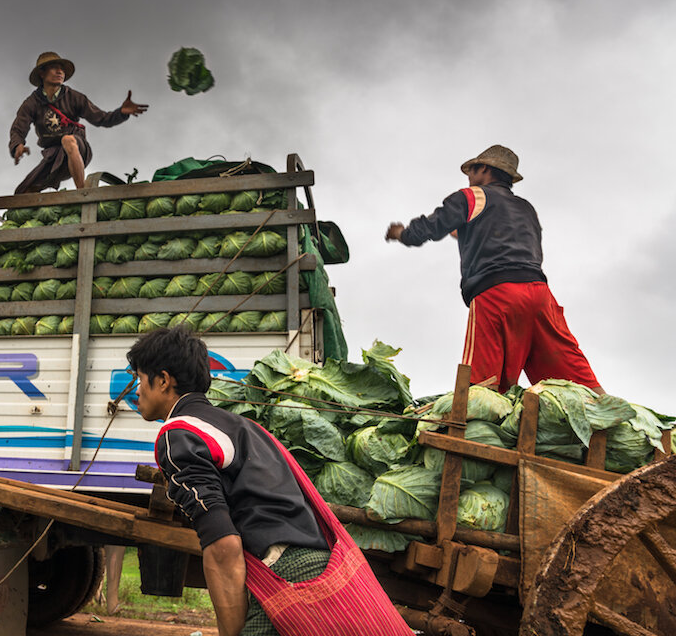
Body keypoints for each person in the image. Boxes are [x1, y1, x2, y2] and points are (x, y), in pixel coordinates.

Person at [129, 327, 410, 636]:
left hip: (285, 575)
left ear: (164, 380)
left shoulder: (177, 435)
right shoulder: (244, 426)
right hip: (324, 567)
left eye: (141, 379)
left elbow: (223, 546)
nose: (137, 391)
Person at [385, 145, 604, 393]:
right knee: (575, 377)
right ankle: (610, 414)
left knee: (481, 387)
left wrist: (402, 233)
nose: (468, 176)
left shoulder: (471, 197)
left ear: (485, 170)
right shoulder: (525, 208)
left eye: (472, 170)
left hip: (497, 295)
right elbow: (497, 234)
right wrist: (461, 234)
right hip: (540, 296)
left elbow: (430, 228)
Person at [9, 51, 147, 194]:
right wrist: (18, 145)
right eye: (54, 68)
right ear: (42, 73)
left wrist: (121, 112)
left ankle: (82, 193)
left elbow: (102, 118)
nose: (59, 72)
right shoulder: (32, 103)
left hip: (78, 149)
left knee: (68, 140)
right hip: (53, 156)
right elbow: (18, 128)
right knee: (23, 192)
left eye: (62, 69)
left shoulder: (74, 97)